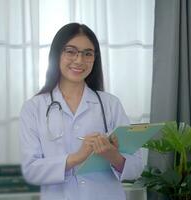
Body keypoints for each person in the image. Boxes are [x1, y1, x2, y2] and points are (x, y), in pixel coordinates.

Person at [19, 23, 143, 200]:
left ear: (94, 58)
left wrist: (113, 156)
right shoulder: (34, 108)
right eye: (71, 51)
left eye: (87, 53)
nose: (79, 60)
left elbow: (136, 168)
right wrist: (77, 158)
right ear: (57, 54)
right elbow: (31, 171)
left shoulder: (110, 104)